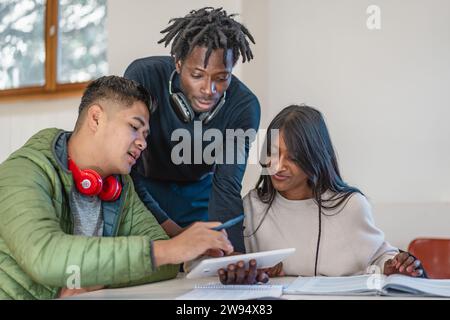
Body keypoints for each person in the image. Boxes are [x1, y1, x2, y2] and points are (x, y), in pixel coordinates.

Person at [0, 76, 233, 300]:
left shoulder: (119, 185)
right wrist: (171, 249)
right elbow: (44, 256)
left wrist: (94, 279)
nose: (142, 143)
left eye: (145, 135)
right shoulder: (23, 170)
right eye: (134, 126)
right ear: (96, 119)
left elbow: (166, 265)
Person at [217, 105, 425, 284]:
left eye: (292, 157)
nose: (277, 166)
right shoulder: (252, 207)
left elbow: (380, 258)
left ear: (314, 158)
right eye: (272, 152)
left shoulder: (350, 205)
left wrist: (393, 266)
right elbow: (230, 264)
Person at [124, 7, 260, 252]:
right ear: (178, 63)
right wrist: (177, 235)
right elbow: (126, 171)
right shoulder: (143, 77)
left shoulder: (244, 106)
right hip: (142, 192)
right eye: (197, 75)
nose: (210, 90)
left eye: (221, 77)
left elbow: (227, 185)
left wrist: (233, 256)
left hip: (200, 199)